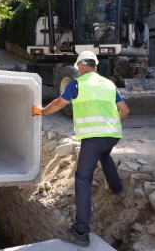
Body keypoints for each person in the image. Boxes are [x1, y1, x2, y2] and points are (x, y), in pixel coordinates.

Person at [31, 51, 129, 247]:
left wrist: (41, 111)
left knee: (83, 178)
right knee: (105, 155)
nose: (77, 70)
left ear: (82, 65)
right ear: (95, 65)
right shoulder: (109, 84)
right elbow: (125, 110)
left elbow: (59, 103)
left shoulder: (77, 84)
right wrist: (109, 125)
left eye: (77, 67)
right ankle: (117, 188)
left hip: (93, 138)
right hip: (112, 136)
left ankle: (81, 231)